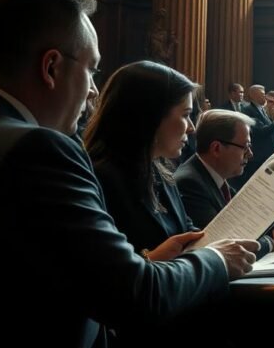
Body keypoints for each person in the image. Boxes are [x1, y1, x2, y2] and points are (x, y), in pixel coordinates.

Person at [0, 0, 256, 347]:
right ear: (51, 67)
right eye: (90, 68)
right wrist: (216, 260)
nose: (92, 90)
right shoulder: (41, 151)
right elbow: (135, 295)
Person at [87, 61, 204, 257]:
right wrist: (153, 258)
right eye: (185, 115)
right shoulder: (100, 178)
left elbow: (187, 230)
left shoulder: (159, 170)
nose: (191, 127)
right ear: (152, 116)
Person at [174, 110, 274, 256]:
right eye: (245, 147)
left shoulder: (217, 178)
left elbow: (249, 224)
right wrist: (271, 243)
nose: (250, 154)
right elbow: (224, 245)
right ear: (217, 148)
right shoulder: (189, 183)